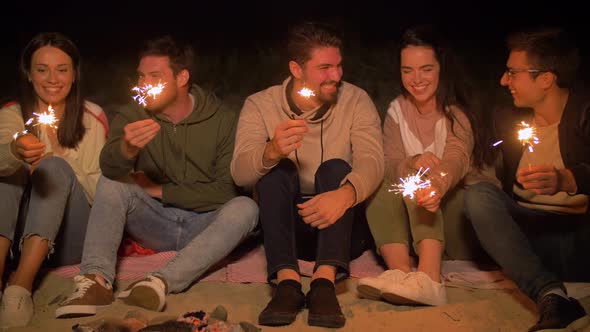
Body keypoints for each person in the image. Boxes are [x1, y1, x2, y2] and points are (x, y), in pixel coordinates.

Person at [55, 35, 258, 318]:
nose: (144, 84)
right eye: (141, 76)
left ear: (182, 77)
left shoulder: (223, 119)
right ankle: (96, 281)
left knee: (246, 208)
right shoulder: (132, 114)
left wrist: (160, 190)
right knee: (114, 183)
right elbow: (110, 170)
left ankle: (160, 281)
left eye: (155, 76)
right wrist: (126, 149)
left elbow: (227, 190)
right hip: (154, 224)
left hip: (205, 226)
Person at [231, 21, 384, 328]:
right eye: (325, 67)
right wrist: (271, 151)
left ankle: (324, 284)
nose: (336, 76)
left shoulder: (355, 100)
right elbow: (239, 174)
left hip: (342, 225)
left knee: (336, 168)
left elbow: (373, 160)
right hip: (290, 230)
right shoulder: (260, 105)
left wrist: (345, 195)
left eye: (339, 66)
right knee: (277, 170)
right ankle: (287, 283)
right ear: (296, 69)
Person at [463, 27, 590, 331]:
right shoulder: (506, 118)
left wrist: (570, 180)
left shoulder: (585, 112)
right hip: (525, 232)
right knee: (478, 195)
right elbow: (484, 169)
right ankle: (550, 295)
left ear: (545, 78)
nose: (503, 81)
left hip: (577, 234)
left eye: (512, 73)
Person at [357, 25, 485, 306]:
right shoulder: (397, 110)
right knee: (382, 179)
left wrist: (435, 183)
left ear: (442, 69)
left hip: (454, 217)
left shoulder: (457, 113)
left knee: (419, 176)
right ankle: (400, 273)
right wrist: (411, 163)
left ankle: (430, 278)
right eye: (407, 70)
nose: (416, 79)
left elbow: (456, 158)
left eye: (426, 69)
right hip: (411, 219)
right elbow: (389, 162)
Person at [0, 32, 108, 328]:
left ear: (74, 75)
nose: (52, 78)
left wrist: (60, 161)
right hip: (20, 238)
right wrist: (14, 151)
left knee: (55, 168)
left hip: (70, 238)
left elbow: (102, 195)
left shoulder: (92, 117)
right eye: (42, 69)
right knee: (5, 176)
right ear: (28, 74)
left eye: (62, 69)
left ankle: (20, 287)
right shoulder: (12, 114)